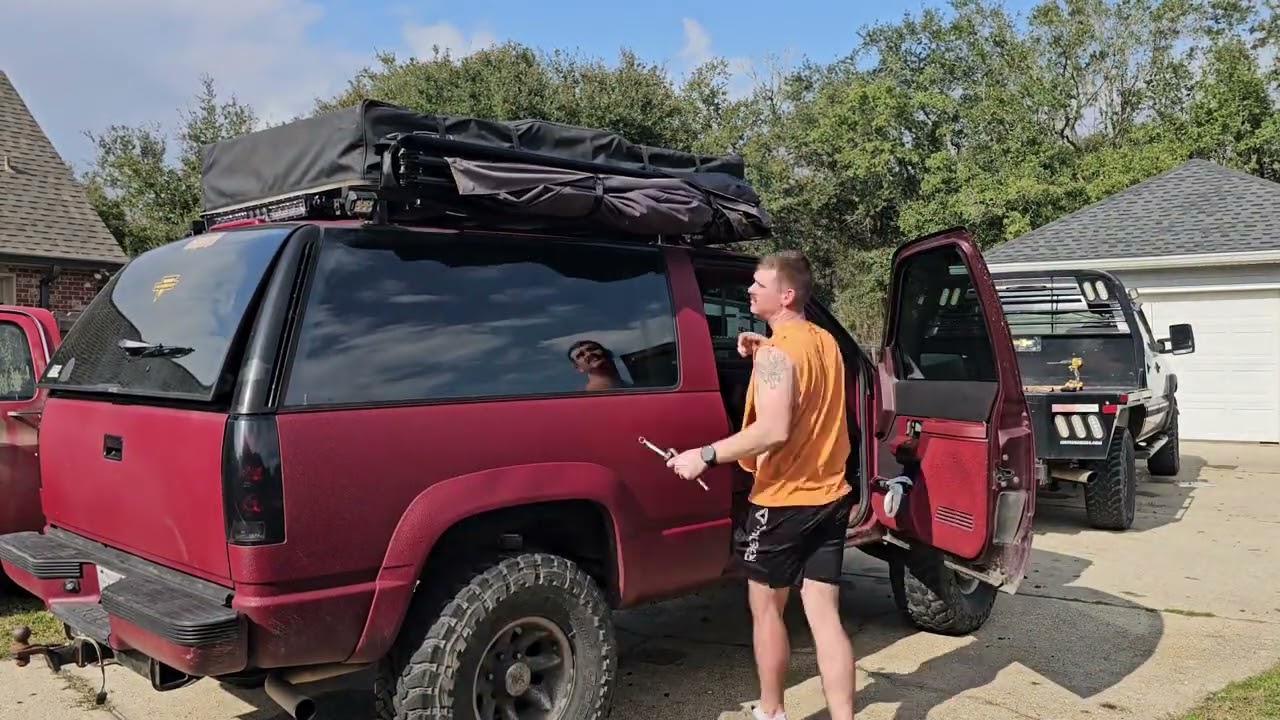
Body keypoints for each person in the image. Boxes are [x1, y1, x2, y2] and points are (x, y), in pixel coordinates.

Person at [666, 250, 856, 720]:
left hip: (783, 501)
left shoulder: (776, 355)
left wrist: (704, 455)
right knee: (825, 615)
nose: (749, 290)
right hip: (830, 495)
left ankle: (771, 711)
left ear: (786, 295)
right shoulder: (824, 341)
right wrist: (763, 347)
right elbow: (801, 381)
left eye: (759, 284)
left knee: (767, 609)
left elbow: (772, 430)